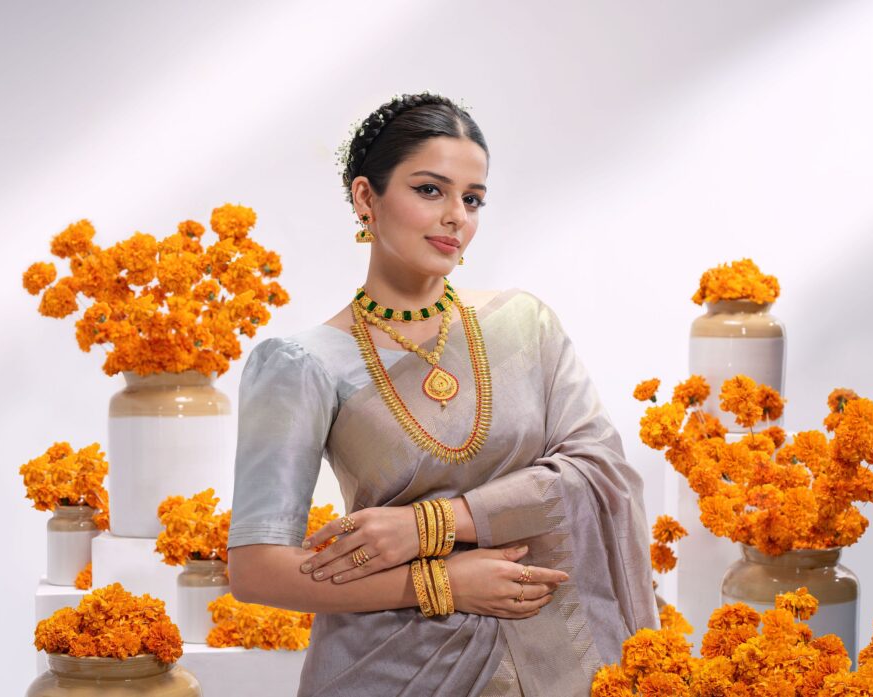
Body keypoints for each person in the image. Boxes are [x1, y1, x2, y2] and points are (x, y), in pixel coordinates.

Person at [226, 92, 659, 697]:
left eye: (472, 198)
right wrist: (440, 583)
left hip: (553, 653)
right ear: (365, 198)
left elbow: (599, 471)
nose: (457, 214)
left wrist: (429, 526)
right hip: (389, 666)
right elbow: (256, 569)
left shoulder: (523, 325)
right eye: (430, 189)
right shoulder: (303, 364)